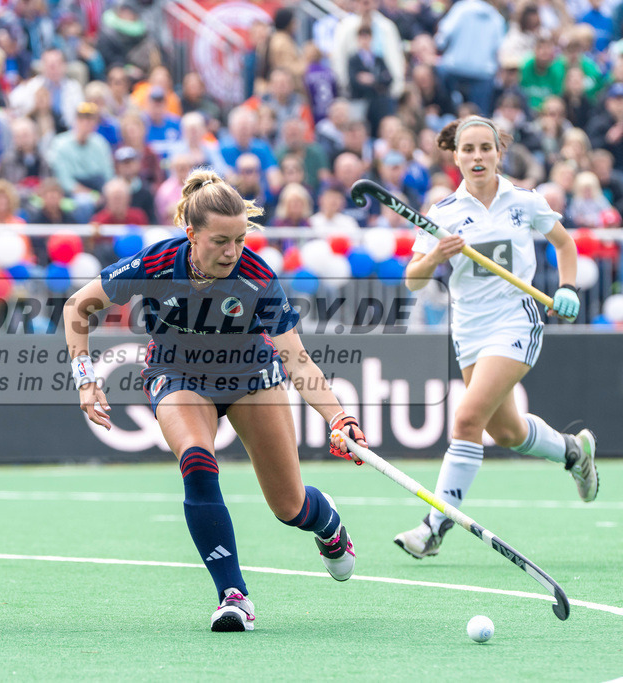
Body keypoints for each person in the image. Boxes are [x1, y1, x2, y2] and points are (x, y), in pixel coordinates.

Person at [62, 168, 367, 632]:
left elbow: (298, 362)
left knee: (290, 508)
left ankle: (326, 523)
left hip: (251, 378)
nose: (233, 251)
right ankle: (233, 595)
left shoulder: (256, 277)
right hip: (178, 375)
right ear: (191, 234)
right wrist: (86, 378)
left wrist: (338, 416)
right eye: (221, 241)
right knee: (197, 461)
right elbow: (77, 306)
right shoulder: (156, 264)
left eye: (241, 239)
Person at [394, 116, 598, 559]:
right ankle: (571, 452)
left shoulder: (525, 201)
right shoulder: (443, 213)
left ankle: (434, 526)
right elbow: (412, 279)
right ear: (456, 156)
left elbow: (565, 244)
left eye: (485, 148)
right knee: (505, 431)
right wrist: (435, 255)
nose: (477, 157)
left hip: (516, 320)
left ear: (498, 153)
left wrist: (566, 286)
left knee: (467, 420)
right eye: (468, 150)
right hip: (468, 329)